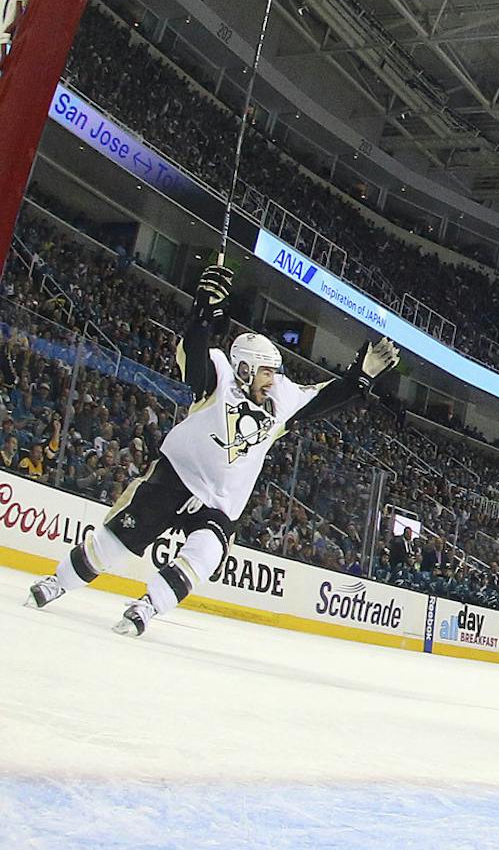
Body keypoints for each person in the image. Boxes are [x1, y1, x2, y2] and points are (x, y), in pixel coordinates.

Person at [26, 264, 400, 635]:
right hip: (175, 478)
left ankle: (147, 606)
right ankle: (57, 582)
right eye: (267, 372)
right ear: (243, 368)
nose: (274, 380)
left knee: (205, 554)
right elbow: (194, 350)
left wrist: (360, 376)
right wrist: (205, 308)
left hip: (221, 502)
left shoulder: (281, 398)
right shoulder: (218, 376)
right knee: (112, 547)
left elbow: (324, 398)